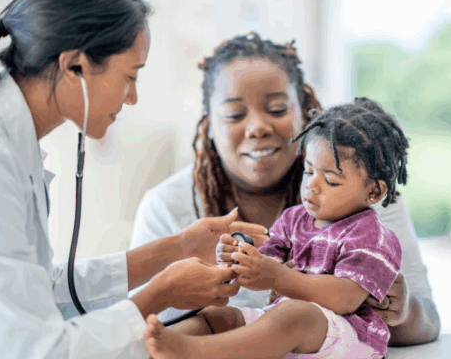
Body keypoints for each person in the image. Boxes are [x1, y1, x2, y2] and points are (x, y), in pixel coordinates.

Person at [0, 0, 266, 359]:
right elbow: (36, 348)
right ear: (75, 65)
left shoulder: (9, 141)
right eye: (131, 76)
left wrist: (177, 248)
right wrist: (158, 295)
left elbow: (34, 286)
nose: (132, 98)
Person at [131, 32, 441, 345]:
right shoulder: (167, 206)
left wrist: (404, 311)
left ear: (307, 114)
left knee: (293, 316)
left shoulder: (364, 194)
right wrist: (239, 261)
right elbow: (139, 327)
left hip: (332, 338)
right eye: (234, 115)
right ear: (209, 124)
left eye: (278, 109)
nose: (257, 127)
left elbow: (429, 323)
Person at [143, 97, 406, 359]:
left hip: (351, 339)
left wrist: (279, 278)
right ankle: (152, 350)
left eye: (330, 180)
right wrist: (241, 256)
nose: (312, 186)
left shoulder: (373, 235)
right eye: (308, 171)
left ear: (374, 191)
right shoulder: (294, 218)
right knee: (216, 317)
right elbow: (266, 266)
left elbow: (345, 300)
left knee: (295, 315)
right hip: (288, 328)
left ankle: (193, 353)